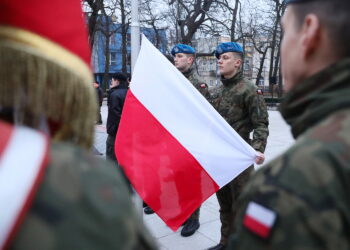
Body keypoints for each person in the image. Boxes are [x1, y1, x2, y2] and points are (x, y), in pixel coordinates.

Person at [0, 0, 157, 249]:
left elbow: (114, 114)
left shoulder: (116, 94)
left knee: (116, 162)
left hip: (115, 134)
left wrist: (112, 130)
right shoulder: (83, 181)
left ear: (115, 80)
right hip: (113, 138)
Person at [227, 0, 350, 249]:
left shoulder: (289, 186)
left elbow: (260, 121)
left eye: (285, 32)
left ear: (309, 32)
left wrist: (256, 147)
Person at [207, 42, 269, 250]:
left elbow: (261, 122)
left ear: (237, 62)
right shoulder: (216, 90)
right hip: (218, 157)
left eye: (225, 58)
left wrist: (258, 147)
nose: (220, 61)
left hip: (239, 158)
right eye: (219, 58)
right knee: (224, 204)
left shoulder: (249, 90)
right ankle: (225, 242)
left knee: (242, 205)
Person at [170, 43, 210, 237]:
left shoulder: (198, 83)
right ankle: (184, 213)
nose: (175, 59)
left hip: (192, 142)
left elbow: (203, 116)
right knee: (179, 180)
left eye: (179, 56)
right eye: (175, 56)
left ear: (190, 59)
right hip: (176, 139)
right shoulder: (174, 79)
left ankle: (193, 219)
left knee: (192, 183)